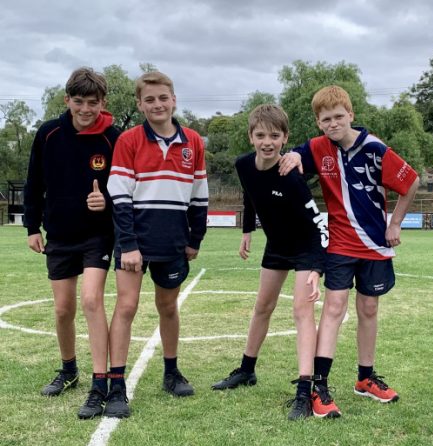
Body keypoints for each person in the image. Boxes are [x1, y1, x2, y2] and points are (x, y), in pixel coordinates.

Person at [279, 85, 419, 418]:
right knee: (334, 308)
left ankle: (365, 378)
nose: (333, 124)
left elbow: (411, 182)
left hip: (375, 246)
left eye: (339, 116)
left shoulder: (375, 149)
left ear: (351, 114)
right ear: (318, 122)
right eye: (326, 119)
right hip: (340, 244)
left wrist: (395, 223)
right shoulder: (317, 148)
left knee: (369, 309)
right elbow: (299, 152)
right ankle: (320, 386)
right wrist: (297, 154)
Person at [211, 104, 328, 420]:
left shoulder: (291, 177)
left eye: (274, 136)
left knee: (302, 312)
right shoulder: (243, 165)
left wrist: (317, 269)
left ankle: (305, 391)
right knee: (262, 306)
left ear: (285, 138)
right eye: (260, 135)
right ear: (250, 136)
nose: (267, 142)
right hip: (276, 246)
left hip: (306, 246)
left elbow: (318, 224)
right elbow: (250, 194)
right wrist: (247, 230)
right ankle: (246, 370)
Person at [105, 71, 208, 418]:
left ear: (174, 99)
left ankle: (171, 371)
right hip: (135, 241)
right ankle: (117, 384)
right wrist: (129, 243)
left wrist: (195, 238)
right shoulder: (129, 140)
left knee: (168, 306)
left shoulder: (193, 141)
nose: (157, 104)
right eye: (149, 99)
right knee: (127, 306)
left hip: (173, 242)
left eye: (163, 97)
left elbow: (199, 196)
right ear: (139, 104)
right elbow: (119, 195)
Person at [23, 67, 120, 419]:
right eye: (78, 101)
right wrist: (32, 226)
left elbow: (126, 188)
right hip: (60, 235)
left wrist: (105, 200)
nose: (85, 109)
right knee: (63, 309)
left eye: (92, 102)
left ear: (102, 102)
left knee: (92, 300)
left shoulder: (114, 137)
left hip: (98, 235)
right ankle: (69, 370)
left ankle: (100, 383)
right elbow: (34, 183)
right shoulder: (48, 134)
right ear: (67, 100)